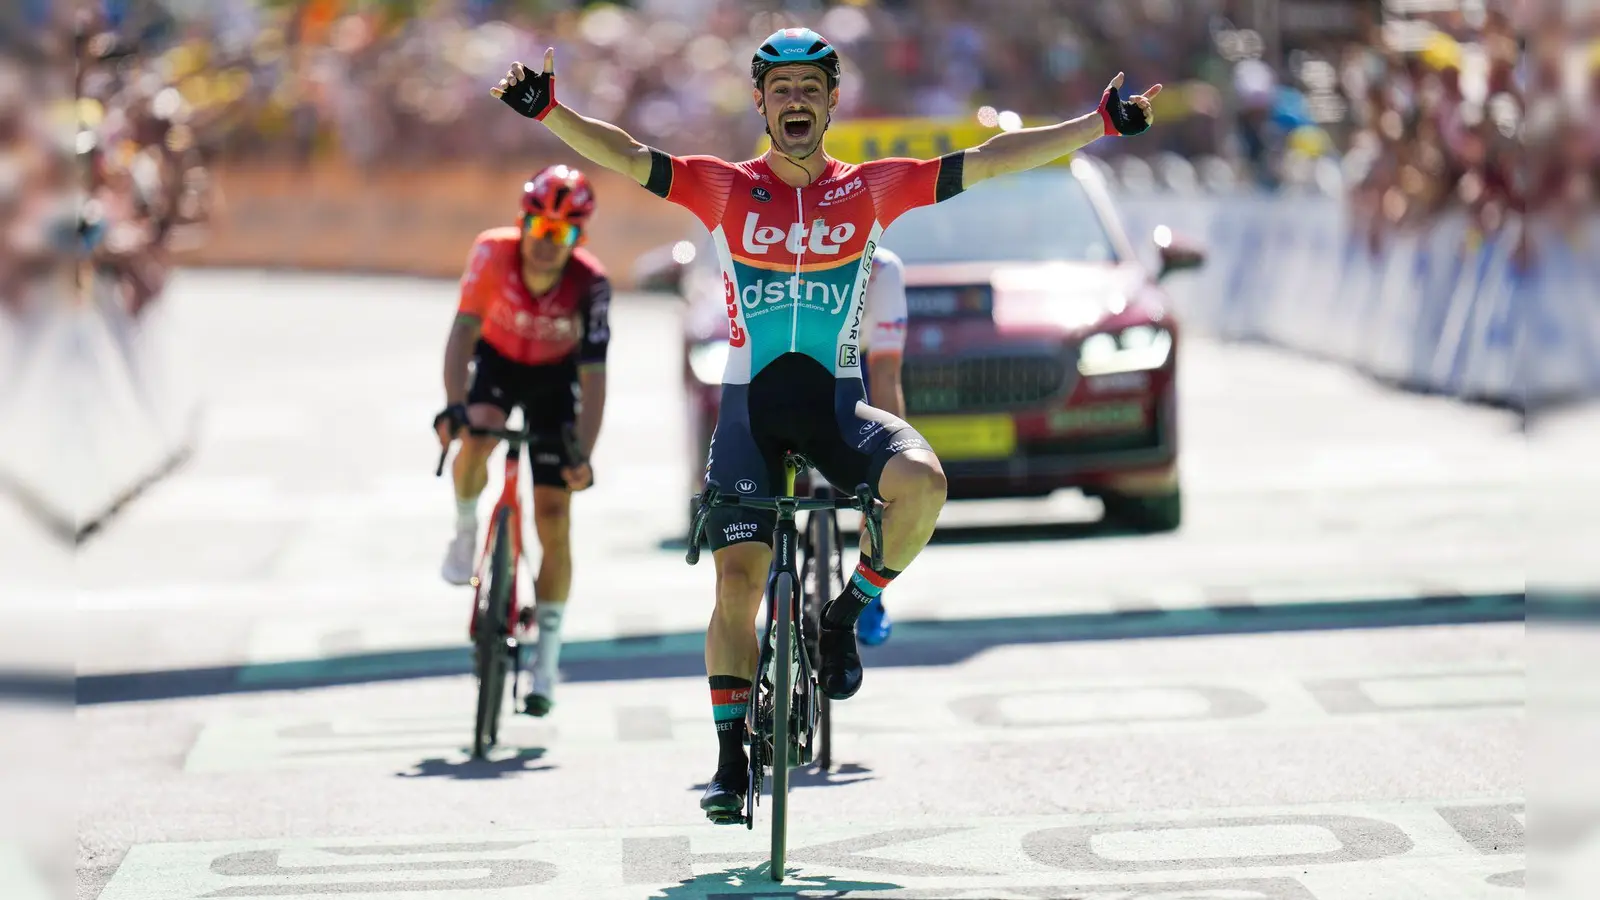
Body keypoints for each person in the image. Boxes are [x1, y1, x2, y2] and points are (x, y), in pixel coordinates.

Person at [490, 27, 1159, 822]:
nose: (797, 102)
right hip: (751, 412)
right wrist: (553, 113)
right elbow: (629, 154)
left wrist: (1098, 125)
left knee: (925, 483)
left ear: (833, 101)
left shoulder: (873, 190)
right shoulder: (723, 188)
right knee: (737, 584)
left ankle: (842, 616)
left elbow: (992, 161)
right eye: (782, 90)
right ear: (761, 104)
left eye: (811, 89)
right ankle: (730, 761)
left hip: (838, 408)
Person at [433, 164, 611, 718]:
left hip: (555, 383)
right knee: (476, 437)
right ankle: (466, 532)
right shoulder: (491, 253)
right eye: (539, 228)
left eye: (563, 234)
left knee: (554, 516)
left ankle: (548, 661)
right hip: (498, 366)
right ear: (522, 223)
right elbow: (463, 329)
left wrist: (583, 453)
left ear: (579, 238)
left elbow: (594, 376)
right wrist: (454, 404)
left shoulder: (590, 283)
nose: (546, 244)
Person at [853, 245, 906, 646]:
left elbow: (886, 376)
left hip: (858, 376)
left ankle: (868, 592)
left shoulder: (882, 269)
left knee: (877, 480)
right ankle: (774, 586)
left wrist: (893, 455)